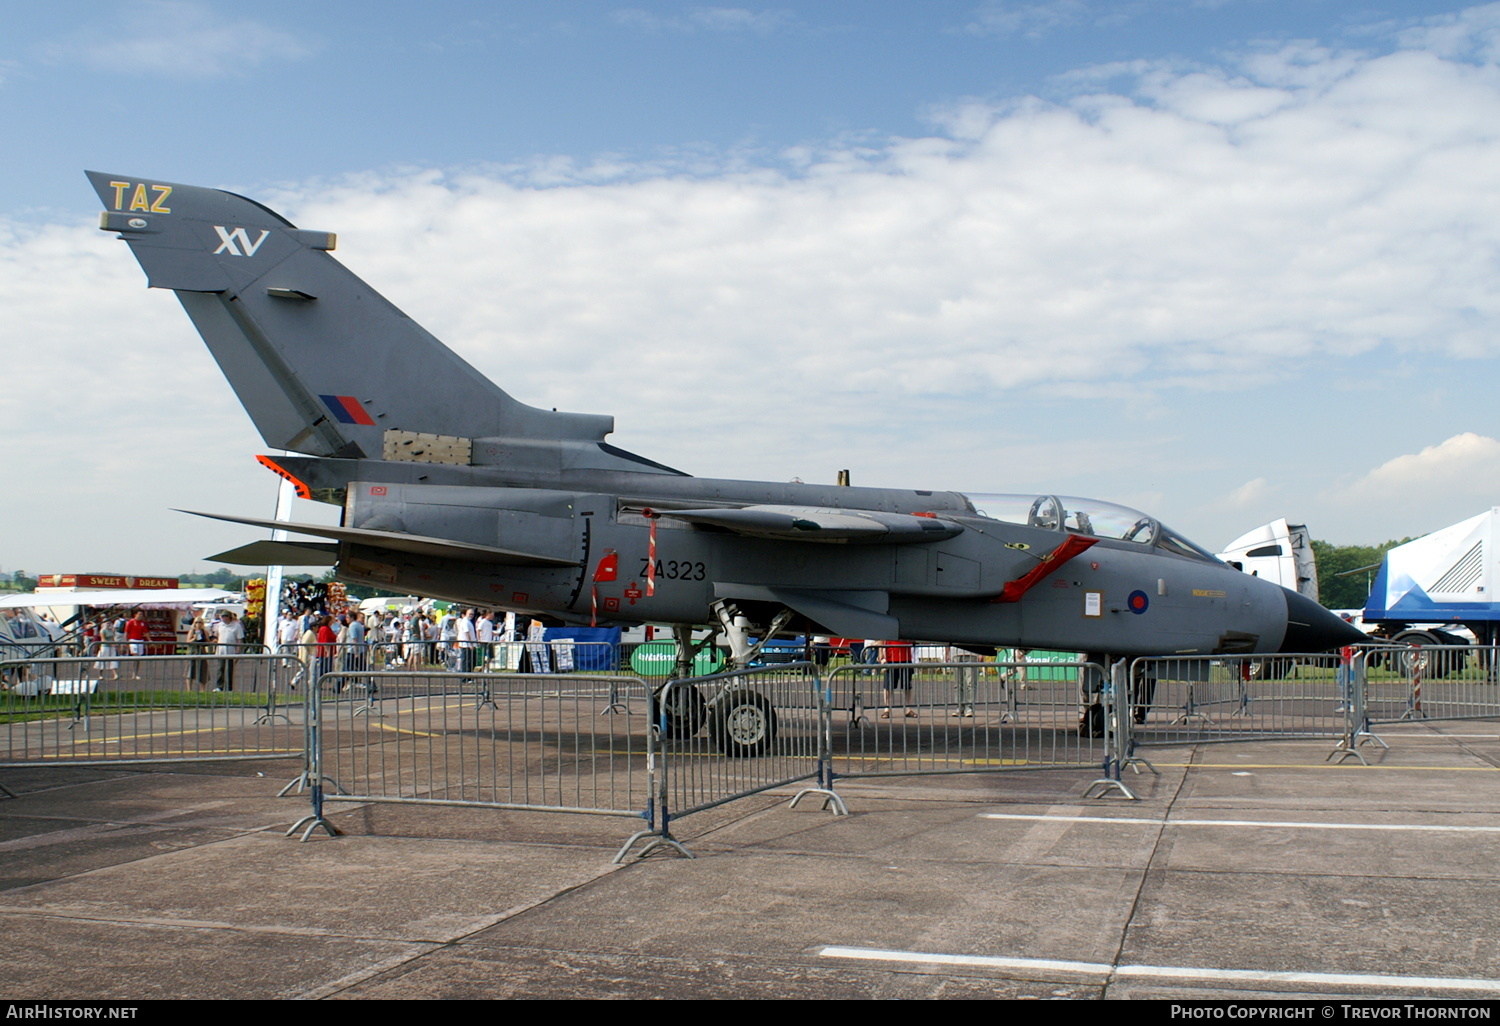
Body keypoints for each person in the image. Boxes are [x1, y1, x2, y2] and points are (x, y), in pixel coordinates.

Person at [881, 639, 915, 719]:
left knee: (907, 685)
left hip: (906, 657)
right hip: (890, 658)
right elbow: (881, 640)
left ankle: (908, 708)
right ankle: (887, 709)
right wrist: (881, 656)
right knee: (888, 686)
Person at [212, 611, 244, 691]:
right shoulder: (219, 625)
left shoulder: (236, 626)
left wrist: (237, 652)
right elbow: (215, 636)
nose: (223, 618)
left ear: (229, 617)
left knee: (229, 670)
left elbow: (239, 640)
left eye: (225, 616)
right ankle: (219, 687)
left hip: (231, 651)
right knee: (220, 669)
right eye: (222, 616)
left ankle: (229, 688)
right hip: (221, 651)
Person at [185, 615, 210, 688]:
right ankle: (189, 689)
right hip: (192, 652)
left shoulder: (204, 632)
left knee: (202, 671)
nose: (198, 624)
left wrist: (212, 641)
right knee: (190, 671)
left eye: (200, 622)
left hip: (202, 652)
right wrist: (193, 638)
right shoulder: (192, 631)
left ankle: (202, 689)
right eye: (196, 622)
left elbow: (207, 641)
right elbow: (187, 642)